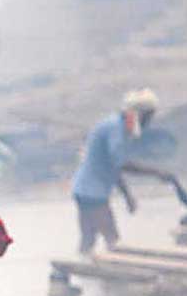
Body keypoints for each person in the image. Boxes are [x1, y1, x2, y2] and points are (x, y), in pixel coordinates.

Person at [70, 88, 176, 254]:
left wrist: (127, 196)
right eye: (148, 116)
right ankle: (113, 275)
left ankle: (80, 270)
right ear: (140, 114)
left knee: (88, 239)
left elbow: (114, 167)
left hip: (84, 189)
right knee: (112, 238)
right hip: (92, 192)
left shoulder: (117, 126)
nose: (149, 121)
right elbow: (121, 164)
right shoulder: (115, 129)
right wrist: (157, 172)